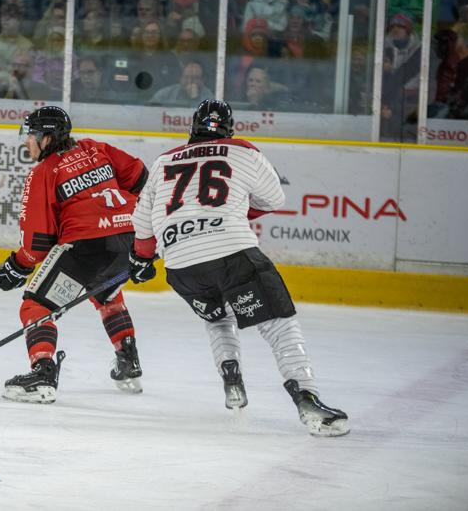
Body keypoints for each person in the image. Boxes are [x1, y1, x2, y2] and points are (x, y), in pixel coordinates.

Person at [129, 99, 349, 437]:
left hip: (181, 266)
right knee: (278, 324)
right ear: (230, 129)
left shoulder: (163, 162)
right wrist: (229, 213)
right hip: (232, 252)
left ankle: (231, 378)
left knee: (218, 318)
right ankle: (307, 399)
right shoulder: (243, 150)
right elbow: (274, 199)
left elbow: (143, 228)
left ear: (192, 127)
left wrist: (142, 260)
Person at [0, 106, 149, 403]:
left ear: (47, 138)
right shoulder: (95, 148)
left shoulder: (44, 172)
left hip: (86, 247)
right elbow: (140, 176)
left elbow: (38, 243)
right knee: (106, 293)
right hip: (129, 241)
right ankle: (128, 359)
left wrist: (17, 265)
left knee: (36, 306)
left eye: (31, 135)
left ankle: (43, 373)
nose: (27, 142)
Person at [150, 58, 214, 107]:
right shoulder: (165, 94)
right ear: (180, 78)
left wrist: (194, 99)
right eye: (186, 77)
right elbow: (150, 110)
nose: (189, 81)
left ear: (202, 81)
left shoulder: (209, 98)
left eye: (195, 78)